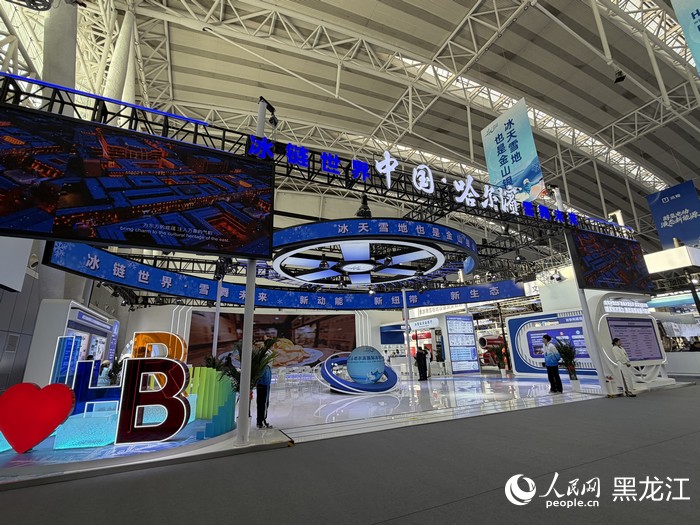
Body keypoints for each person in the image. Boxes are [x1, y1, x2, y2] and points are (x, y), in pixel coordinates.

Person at [256, 362, 273, 429]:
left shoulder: (263, 366)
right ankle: (262, 421)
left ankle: (260, 421)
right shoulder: (265, 367)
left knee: (260, 404)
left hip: (261, 386)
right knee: (264, 404)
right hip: (264, 386)